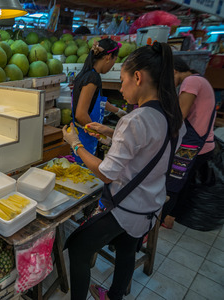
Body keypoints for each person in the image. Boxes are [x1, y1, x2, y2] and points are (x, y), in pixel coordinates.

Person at [63, 42, 184, 300]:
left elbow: (107, 172)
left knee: (77, 247)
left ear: (138, 77)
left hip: (125, 208)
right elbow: (149, 151)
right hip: (150, 206)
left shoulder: (135, 120)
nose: (120, 88)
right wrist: (111, 132)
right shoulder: (172, 116)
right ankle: (114, 295)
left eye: (122, 80)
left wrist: (75, 145)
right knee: (128, 250)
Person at [161, 56, 216, 229]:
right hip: (203, 144)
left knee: (172, 183)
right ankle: (170, 218)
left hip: (193, 145)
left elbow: (179, 116)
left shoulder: (191, 81)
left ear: (174, 71)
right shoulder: (200, 80)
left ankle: (159, 221)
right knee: (182, 182)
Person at [71, 38, 127, 163]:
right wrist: (101, 136)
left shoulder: (87, 74)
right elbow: (81, 114)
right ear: (108, 57)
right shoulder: (92, 78)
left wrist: (117, 111)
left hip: (85, 134)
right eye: (114, 60)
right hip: (85, 136)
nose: (113, 64)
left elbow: (95, 100)